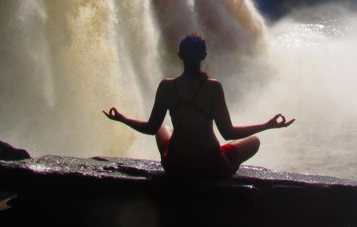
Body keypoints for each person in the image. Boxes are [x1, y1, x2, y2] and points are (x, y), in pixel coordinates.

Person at [103, 33, 294, 177]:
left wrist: (122, 119)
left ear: (179, 55)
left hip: (175, 164)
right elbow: (228, 133)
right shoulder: (213, 87)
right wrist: (267, 126)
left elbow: (150, 128)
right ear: (204, 56)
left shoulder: (167, 86)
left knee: (161, 128)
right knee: (254, 141)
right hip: (210, 164)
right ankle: (228, 165)